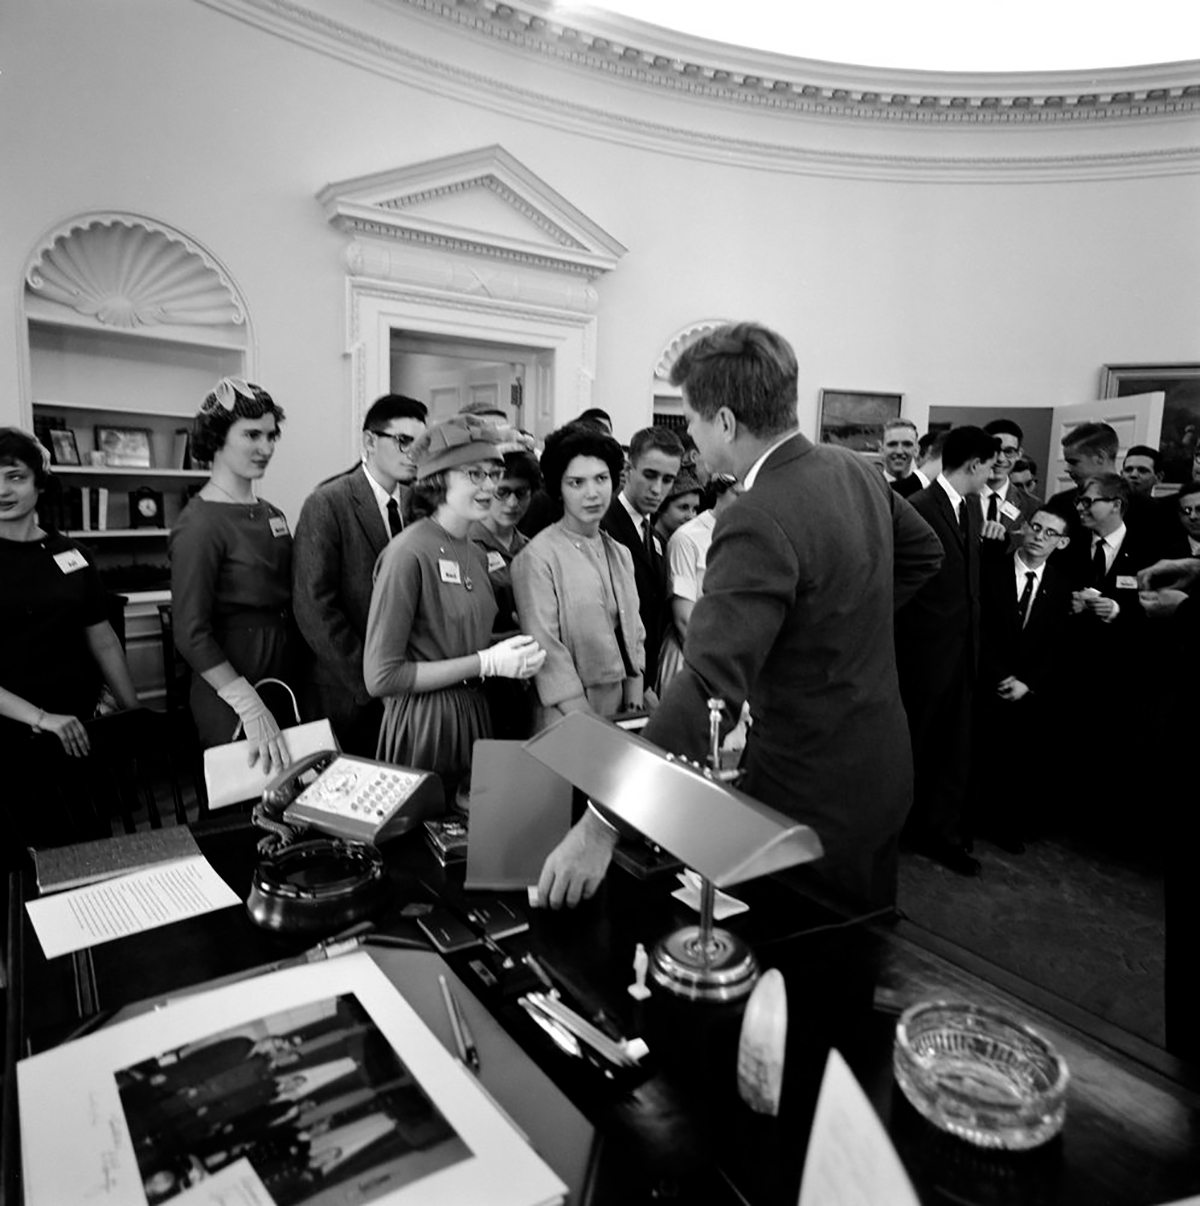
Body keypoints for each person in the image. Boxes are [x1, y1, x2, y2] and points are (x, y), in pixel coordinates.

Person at [535, 323, 943, 910]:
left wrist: (601, 824)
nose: (692, 439)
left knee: (801, 969)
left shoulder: (754, 516)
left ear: (725, 421)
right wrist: (832, 623)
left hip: (807, 787)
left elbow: (705, 685)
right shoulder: (855, 469)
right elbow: (923, 553)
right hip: (881, 764)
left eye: (692, 420)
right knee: (860, 956)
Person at [363, 416, 545, 806]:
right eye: (474, 474)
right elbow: (382, 676)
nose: (490, 486)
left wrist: (513, 647)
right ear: (438, 479)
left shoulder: (474, 553)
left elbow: (458, 638)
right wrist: (485, 662)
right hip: (426, 723)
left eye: (493, 473)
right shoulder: (407, 553)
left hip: (475, 713)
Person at [0, 427, 140, 850]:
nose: (2, 490)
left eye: (15, 476)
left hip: (77, 731)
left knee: (88, 848)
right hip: (12, 740)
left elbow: (103, 639)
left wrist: (132, 712)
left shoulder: (73, 555)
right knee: (25, 865)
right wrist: (41, 718)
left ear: (40, 483)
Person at [169, 379, 294, 773]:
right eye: (252, 435)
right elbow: (190, 632)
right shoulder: (200, 524)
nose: (266, 447)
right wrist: (245, 701)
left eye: (271, 435)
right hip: (230, 684)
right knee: (243, 805)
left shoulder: (272, 513)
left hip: (282, 675)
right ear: (217, 437)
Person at [291, 395, 427, 755]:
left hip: (409, 688)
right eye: (403, 441)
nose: (413, 453)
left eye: (421, 444)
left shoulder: (418, 504)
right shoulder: (328, 502)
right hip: (348, 690)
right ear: (369, 442)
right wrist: (374, 681)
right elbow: (314, 608)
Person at [895, 425, 999, 876]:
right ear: (974, 464)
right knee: (915, 747)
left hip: (963, 653)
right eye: (991, 466)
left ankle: (942, 834)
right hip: (921, 656)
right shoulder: (915, 508)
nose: (994, 475)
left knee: (955, 748)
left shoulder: (973, 508)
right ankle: (898, 830)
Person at [511, 423, 645, 728]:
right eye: (576, 483)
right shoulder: (537, 557)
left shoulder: (620, 553)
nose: (592, 493)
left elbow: (635, 632)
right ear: (558, 488)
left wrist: (634, 703)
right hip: (565, 709)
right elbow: (546, 650)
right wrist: (587, 722)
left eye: (601, 479)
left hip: (624, 704)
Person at [974, 506, 1073, 850]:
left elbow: (1056, 644)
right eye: (1035, 527)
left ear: (1062, 543)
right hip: (985, 681)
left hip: (1027, 691)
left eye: (1050, 533)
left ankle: (1008, 826)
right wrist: (999, 675)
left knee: (1018, 761)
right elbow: (978, 629)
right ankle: (968, 823)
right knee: (977, 754)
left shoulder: (1062, 586)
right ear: (1024, 528)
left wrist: (1027, 682)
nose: (1039, 537)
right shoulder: (990, 571)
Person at [601, 426, 683, 687]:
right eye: (650, 475)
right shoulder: (603, 527)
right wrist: (638, 685)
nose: (657, 489)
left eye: (668, 480)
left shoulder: (657, 538)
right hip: (615, 681)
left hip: (648, 675)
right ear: (627, 470)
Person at [473, 449, 542, 738]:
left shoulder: (532, 547)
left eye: (521, 493)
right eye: (503, 493)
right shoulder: (467, 544)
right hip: (482, 677)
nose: (512, 503)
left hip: (528, 678)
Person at [656, 472, 741, 694]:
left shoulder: (748, 534)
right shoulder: (687, 538)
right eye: (739, 494)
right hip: (692, 658)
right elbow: (684, 619)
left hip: (732, 660)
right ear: (721, 491)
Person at [978, 418, 1040, 538]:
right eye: (994, 450)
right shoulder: (960, 497)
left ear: (1019, 454)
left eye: (1009, 451)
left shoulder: (1031, 505)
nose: (1001, 458)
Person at [653, 468, 702, 546]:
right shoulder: (648, 545)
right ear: (661, 506)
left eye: (694, 509)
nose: (691, 516)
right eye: (684, 508)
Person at [881, 419, 925, 498]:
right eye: (892, 444)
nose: (899, 451)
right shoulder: (871, 488)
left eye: (907, 444)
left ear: (916, 450)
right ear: (881, 450)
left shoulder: (925, 492)